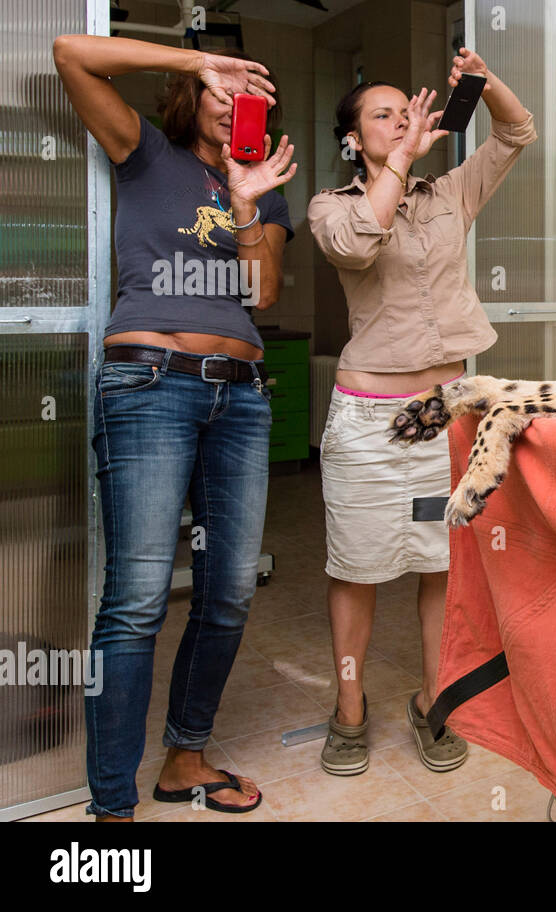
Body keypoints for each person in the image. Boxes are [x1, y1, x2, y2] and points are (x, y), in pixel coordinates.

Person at [53, 34, 297, 818]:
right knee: (138, 599)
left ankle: (184, 760)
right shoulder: (146, 152)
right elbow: (69, 53)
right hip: (150, 381)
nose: (233, 107)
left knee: (227, 593)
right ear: (194, 95)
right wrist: (193, 60)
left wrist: (248, 202)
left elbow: (262, 295)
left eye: (248, 98)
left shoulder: (265, 185)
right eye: (223, 92)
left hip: (242, 397)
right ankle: (112, 810)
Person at [308, 48, 535, 775]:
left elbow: (515, 134)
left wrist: (484, 79)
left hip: (446, 416)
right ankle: (349, 711)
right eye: (384, 114)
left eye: (407, 109)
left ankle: (432, 701)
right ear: (354, 138)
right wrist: (400, 164)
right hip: (369, 421)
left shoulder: (450, 195)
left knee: (441, 564)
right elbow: (360, 245)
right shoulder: (332, 207)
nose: (402, 119)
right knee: (358, 567)